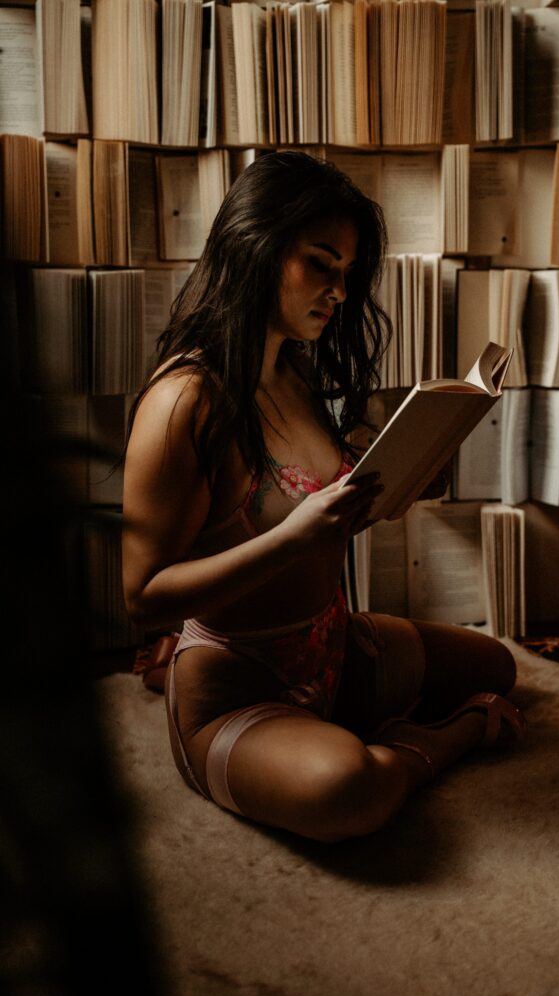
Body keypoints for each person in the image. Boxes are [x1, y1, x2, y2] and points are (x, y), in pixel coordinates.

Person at [122, 151, 526, 844]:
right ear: (257, 246)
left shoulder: (292, 371)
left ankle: (364, 729)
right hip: (234, 690)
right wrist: (296, 537)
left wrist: (396, 479)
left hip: (333, 651)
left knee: (495, 666)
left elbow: (315, 508)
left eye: (346, 275)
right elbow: (142, 595)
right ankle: (447, 741)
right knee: (348, 792)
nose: (338, 294)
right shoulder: (184, 401)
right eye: (320, 264)